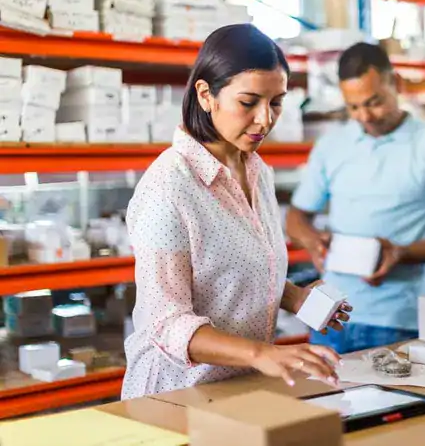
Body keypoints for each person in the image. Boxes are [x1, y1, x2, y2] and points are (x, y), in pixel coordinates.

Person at [122, 24, 351, 400]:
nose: (265, 119)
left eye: (276, 102)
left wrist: (296, 298)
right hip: (176, 395)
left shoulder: (258, 171)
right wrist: (264, 354)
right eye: (248, 103)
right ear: (206, 95)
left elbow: (238, 272)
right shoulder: (168, 187)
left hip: (240, 389)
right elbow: (165, 323)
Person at [286, 42, 425, 354]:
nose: (364, 116)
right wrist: (312, 241)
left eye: (374, 102)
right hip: (327, 313)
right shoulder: (331, 145)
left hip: (398, 320)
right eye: (353, 106)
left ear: (396, 84)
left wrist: (400, 253)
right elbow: (296, 216)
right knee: (322, 402)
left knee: (394, 402)